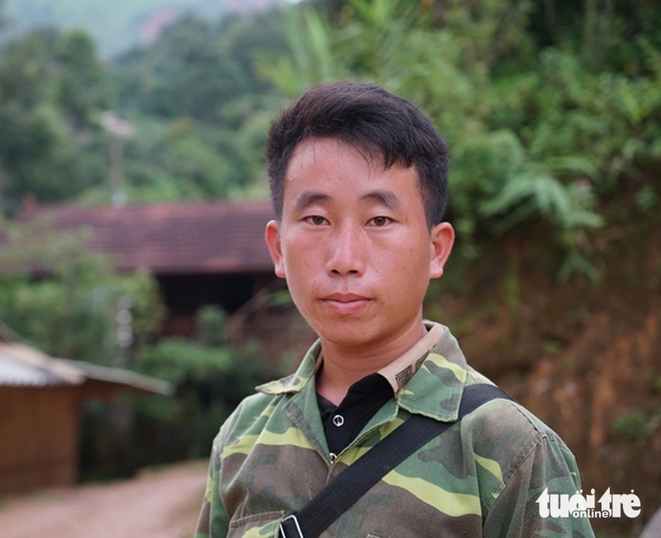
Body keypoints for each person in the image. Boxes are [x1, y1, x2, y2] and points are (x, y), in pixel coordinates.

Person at [195, 81, 595, 538]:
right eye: (316, 219)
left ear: (436, 249)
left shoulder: (510, 449)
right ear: (277, 248)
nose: (344, 259)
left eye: (379, 220)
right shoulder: (243, 438)